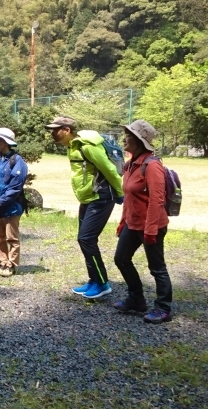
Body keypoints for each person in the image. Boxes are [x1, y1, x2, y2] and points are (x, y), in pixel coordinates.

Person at [45, 116, 124, 299]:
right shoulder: (72, 146)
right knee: (84, 240)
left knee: (86, 238)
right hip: (88, 197)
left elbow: (109, 169)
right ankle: (93, 280)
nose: (52, 133)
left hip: (101, 196)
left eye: (55, 130)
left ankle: (102, 283)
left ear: (66, 130)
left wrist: (120, 193)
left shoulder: (87, 146)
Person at [111, 120, 173, 324]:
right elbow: (129, 198)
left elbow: (157, 200)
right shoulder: (130, 165)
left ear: (139, 140)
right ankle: (136, 299)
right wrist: (123, 221)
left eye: (129, 135)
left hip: (151, 225)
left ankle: (163, 308)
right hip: (132, 223)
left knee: (156, 267)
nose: (124, 139)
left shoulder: (152, 166)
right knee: (121, 259)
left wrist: (151, 230)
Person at [0, 127, 28, 277]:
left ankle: (11, 265)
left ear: (7, 142)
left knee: (11, 237)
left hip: (11, 206)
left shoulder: (17, 161)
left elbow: (15, 188)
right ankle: (2, 262)